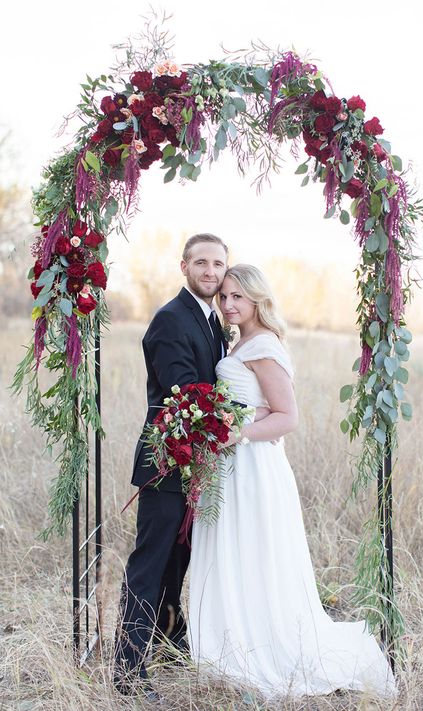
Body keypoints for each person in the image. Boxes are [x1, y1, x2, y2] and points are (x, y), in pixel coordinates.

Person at [188, 264, 397, 700]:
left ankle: (259, 646)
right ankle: (230, 642)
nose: (228, 304)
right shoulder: (240, 339)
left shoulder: (262, 344)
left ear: (257, 300)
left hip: (253, 467)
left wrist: (237, 429)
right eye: (224, 296)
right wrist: (243, 418)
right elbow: (254, 403)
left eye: (237, 297)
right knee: (235, 554)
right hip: (232, 465)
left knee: (255, 553)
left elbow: (288, 417)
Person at [114, 233, 230, 693]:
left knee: (177, 562)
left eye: (218, 264)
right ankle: (127, 667)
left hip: (196, 461)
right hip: (167, 459)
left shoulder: (211, 319)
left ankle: (168, 637)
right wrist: (231, 421)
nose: (210, 271)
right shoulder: (170, 319)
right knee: (151, 561)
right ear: (184, 266)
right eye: (201, 263)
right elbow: (184, 391)